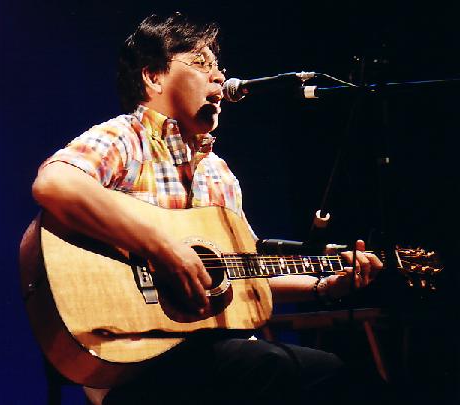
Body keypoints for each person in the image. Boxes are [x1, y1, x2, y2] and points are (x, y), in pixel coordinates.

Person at [31, 12, 385, 405]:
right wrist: (163, 250)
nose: (218, 77)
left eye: (219, 67)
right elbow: (55, 183)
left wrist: (323, 285)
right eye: (201, 63)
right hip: (136, 361)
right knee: (293, 369)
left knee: (333, 375)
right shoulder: (124, 138)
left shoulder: (219, 173)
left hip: (216, 353)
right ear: (154, 77)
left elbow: (243, 273)